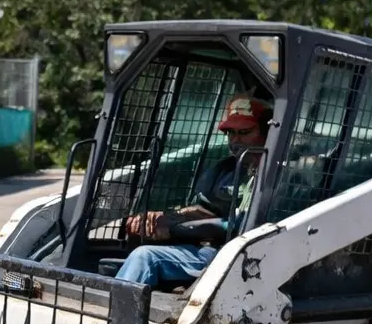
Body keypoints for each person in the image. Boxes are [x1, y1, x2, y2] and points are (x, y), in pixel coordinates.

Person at [115, 93, 272, 288]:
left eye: (244, 132)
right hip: (210, 248)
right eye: (231, 133)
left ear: (267, 132)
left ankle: (116, 315)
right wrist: (165, 218)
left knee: (146, 257)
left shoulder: (280, 176)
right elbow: (205, 210)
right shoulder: (227, 170)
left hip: (243, 258)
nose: (235, 140)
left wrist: (179, 230)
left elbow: (243, 225)